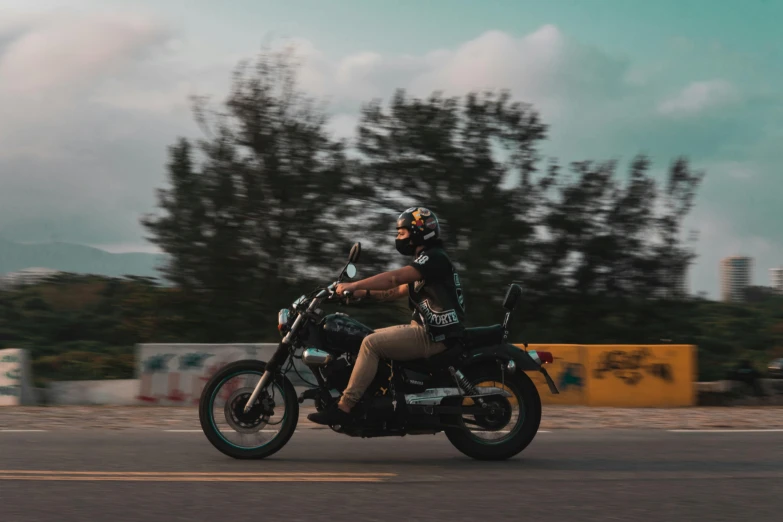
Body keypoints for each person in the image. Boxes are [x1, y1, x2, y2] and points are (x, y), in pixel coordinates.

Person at [307, 206, 466, 426]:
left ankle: (345, 408)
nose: (398, 238)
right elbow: (392, 292)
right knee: (364, 337)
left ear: (418, 232)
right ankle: (375, 396)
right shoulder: (427, 262)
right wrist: (358, 295)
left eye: (402, 233)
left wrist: (353, 285)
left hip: (435, 335)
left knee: (371, 344)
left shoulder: (433, 258)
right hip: (426, 330)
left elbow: (393, 280)